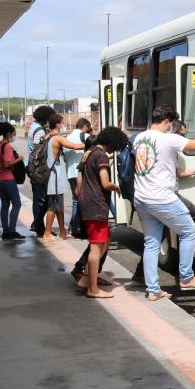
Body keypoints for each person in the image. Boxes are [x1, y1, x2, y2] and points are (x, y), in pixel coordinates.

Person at [133, 105, 195, 301]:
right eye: (170, 124)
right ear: (166, 121)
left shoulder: (140, 137)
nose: (170, 127)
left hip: (141, 197)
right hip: (162, 198)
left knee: (151, 243)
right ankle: (187, 277)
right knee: (189, 231)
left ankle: (153, 290)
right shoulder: (168, 138)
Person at [74, 127, 128, 298]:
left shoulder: (89, 152)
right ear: (112, 143)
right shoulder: (102, 155)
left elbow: (79, 184)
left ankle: (88, 279)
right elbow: (106, 183)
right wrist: (120, 187)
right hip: (97, 205)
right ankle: (93, 288)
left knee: (103, 242)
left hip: (87, 203)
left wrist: (84, 197)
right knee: (97, 246)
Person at [41, 113, 84, 241]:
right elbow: (75, 146)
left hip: (52, 174)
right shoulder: (58, 138)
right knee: (53, 205)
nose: (63, 125)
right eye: (62, 122)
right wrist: (91, 144)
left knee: (59, 204)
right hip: (54, 176)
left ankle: (62, 232)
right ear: (58, 124)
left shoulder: (47, 136)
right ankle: (47, 233)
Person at [0, 122, 24, 239]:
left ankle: (5, 231)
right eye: (13, 133)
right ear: (8, 133)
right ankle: (12, 230)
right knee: (17, 204)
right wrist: (20, 159)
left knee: (5, 205)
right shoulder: (8, 147)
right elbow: (7, 164)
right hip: (7, 178)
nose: (14, 136)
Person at [27, 106, 55, 236]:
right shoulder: (39, 130)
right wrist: (50, 136)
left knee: (41, 198)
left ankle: (37, 224)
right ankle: (38, 226)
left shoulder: (35, 127)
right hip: (38, 169)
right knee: (41, 199)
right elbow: (40, 150)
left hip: (34, 168)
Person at [64, 118, 93, 236]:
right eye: (89, 127)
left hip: (70, 173)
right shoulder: (86, 137)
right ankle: (79, 227)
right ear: (85, 126)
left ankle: (73, 227)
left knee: (75, 199)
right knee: (83, 200)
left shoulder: (67, 138)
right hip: (82, 173)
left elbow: (65, 156)